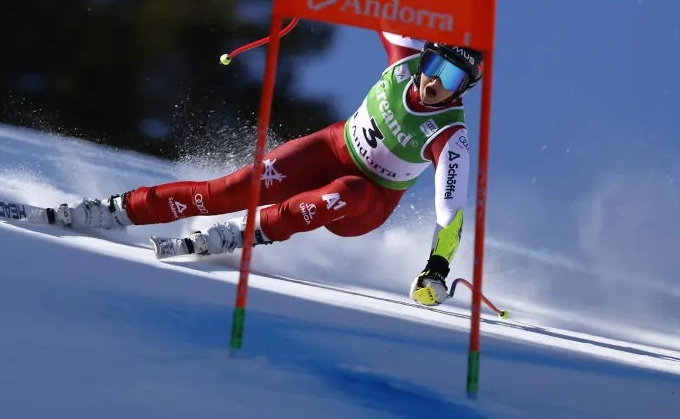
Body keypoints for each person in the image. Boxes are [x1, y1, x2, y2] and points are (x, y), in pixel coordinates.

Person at [55, 31, 483, 308]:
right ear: (423, 57)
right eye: (433, 66)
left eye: (451, 78)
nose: (433, 82)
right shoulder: (403, 60)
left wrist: (437, 269)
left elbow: (452, 212)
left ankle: (250, 231)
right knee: (227, 189)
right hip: (331, 147)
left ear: (464, 88)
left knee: (346, 191)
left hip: (367, 199)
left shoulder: (449, 134)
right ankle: (118, 209)